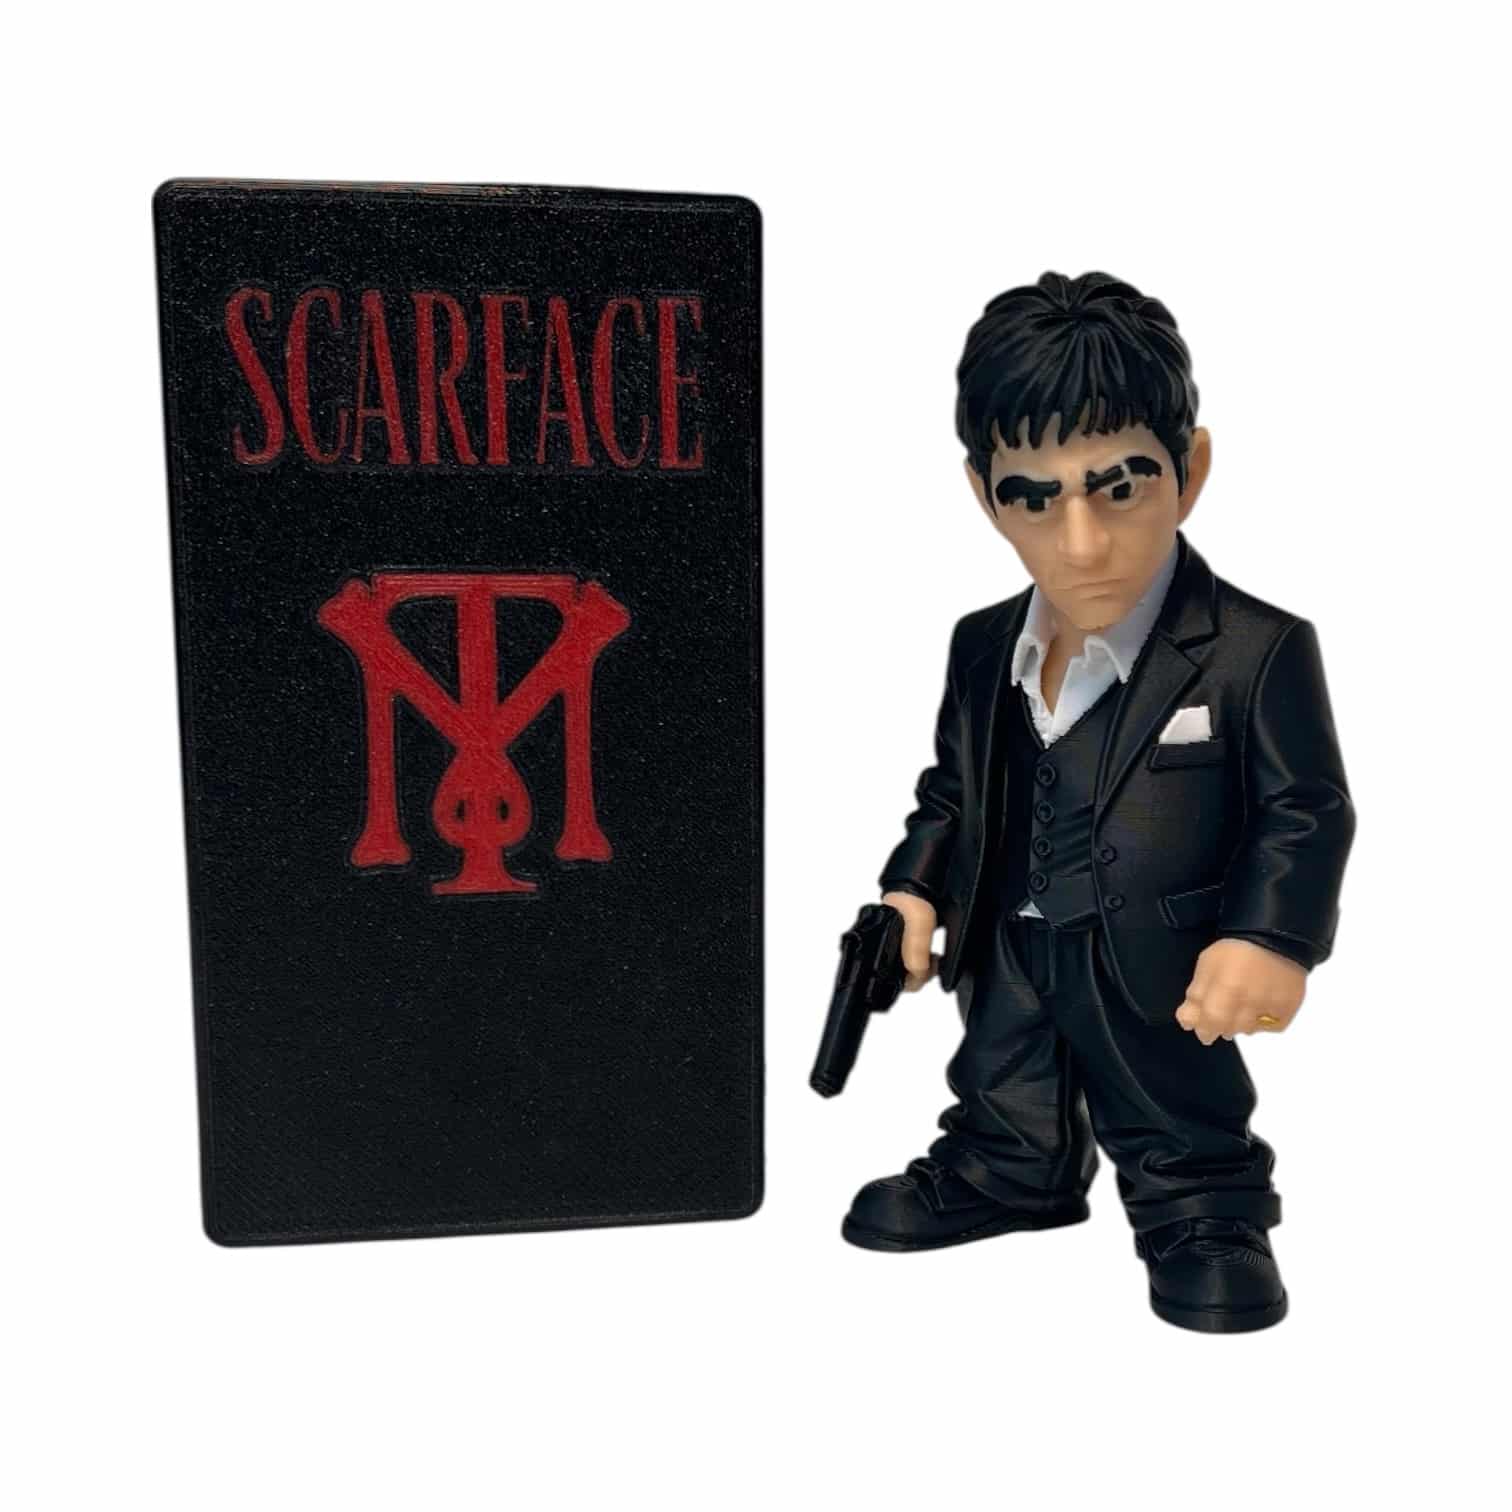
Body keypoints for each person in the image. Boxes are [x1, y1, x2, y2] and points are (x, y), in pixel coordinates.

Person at [842, 272, 1355, 1333]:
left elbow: (1306, 808)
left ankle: (1202, 1211)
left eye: (1119, 488)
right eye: (1034, 497)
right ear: (984, 496)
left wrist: (1270, 937)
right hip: (1009, 935)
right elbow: (952, 791)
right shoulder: (982, 646)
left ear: (1190, 471)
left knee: (1167, 1088)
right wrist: (914, 893)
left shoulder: (1254, 649)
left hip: (1157, 952)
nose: (1080, 543)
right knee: (1003, 1061)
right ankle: (1009, 1166)